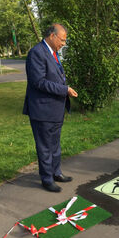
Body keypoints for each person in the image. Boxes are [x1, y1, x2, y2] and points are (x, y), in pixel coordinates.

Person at [23, 23, 78, 193]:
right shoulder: (37, 53)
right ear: (52, 36)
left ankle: (56, 173)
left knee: (55, 145)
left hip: (54, 110)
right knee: (45, 147)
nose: (63, 43)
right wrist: (65, 89)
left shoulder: (52, 52)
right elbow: (38, 82)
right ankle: (46, 179)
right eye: (62, 40)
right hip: (42, 111)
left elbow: (54, 76)